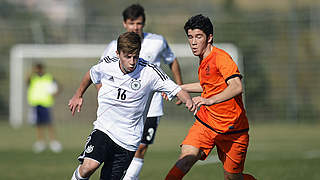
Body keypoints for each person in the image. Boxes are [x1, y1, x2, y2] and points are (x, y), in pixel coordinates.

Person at [68, 32, 195, 180]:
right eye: (127, 57)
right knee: (88, 167)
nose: (132, 61)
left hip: (128, 140)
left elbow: (177, 89)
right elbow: (91, 74)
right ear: (118, 53)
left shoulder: (150, 72)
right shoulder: (107, 64)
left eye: (135, 56)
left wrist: (190, 102)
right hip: (104, 129)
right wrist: (78, 94)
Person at [165, 14, 256, 180]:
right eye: (190, 37)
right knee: (186, 158)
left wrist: (208, 100)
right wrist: (178, 88)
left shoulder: (221, 58)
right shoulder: (203, 59)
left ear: (209, 37)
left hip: (233, 129)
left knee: (233, 178)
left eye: (198, 37)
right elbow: (208, 85)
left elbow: (236, 86)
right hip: (206, 123)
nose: (193, 42)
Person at [98, 4, 184, 180]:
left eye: (139, 23)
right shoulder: (115, 46)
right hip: (122, 108)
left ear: (144, 23)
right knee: (119, 147)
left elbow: (172, 61)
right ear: (124, 24)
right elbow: (99, 73)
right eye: (131, 23)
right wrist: (104, 96)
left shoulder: (157, 42)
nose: (135, 27)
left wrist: (178, 87)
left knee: (141, 147)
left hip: (152, 107)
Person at [27, 63, 62, 153]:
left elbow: (58, 88)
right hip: (35, 103)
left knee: (49, 123)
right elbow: (27, 82)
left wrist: (55, 93)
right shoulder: (33, 78)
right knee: (38, 124)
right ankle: (40, 142)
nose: (37, 70)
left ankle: (53, 142)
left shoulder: (49, 77)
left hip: (46, 103)